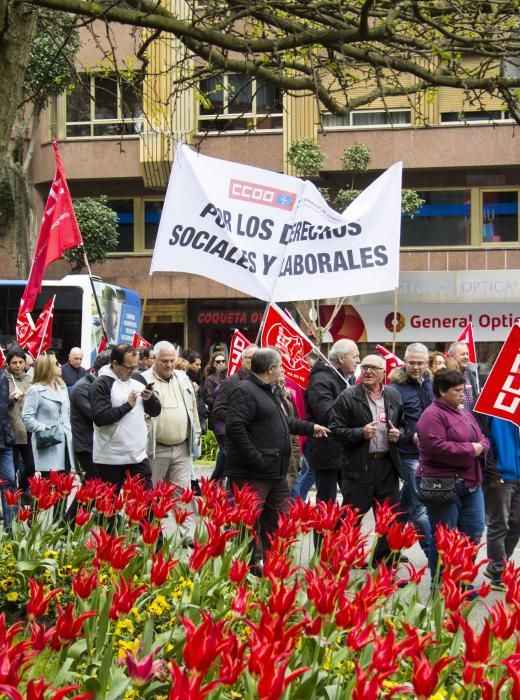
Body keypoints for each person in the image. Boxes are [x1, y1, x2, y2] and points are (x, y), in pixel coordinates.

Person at [225, 347, 329, 562]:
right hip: (254, 472)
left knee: (278, 519)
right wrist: (256, 459)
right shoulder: (245, 390)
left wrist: (311, 427)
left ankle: (273, 566)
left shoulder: (269, 390)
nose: (283, 370)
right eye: (280, 365)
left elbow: (283, 422)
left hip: (275, 471)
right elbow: (235, 428)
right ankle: (247, 570)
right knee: (248, 525)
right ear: (271, 368)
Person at [329, 354, 405, 563]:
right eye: (365, 368)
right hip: (358, 467)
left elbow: (405, 425)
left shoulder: (393, 396)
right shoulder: (348, 396)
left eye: (374, 368)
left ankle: (385, 565)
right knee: (351, 519)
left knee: (389, 520)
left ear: (383, 373)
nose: (368, 371)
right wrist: (359, 433)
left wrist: (400, 434)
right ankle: (341, 561)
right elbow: (334, 430)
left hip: (387, 467)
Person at [416, 368, 488, 580]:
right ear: (442, 391)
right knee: (445, 539)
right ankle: (440, 587)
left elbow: (483, 438)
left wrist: (480, 446)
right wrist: (472, 449)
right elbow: (436, 448)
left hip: (471, 483)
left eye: (463, 389)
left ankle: (461, 582)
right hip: (443, 485)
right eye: (457, 390)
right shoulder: (431, 415)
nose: (462, 394)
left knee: (473, 533)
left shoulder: (464, 412)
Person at [90, 344, 161, 491]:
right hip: (109, 457)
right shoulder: (101, 383)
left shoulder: (138, 379)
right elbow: (100, 418)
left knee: (146, 506)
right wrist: (127, 405)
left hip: (137, 455)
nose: (132, 372)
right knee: (109, 508)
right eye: (128, 367)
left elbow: (155, 411)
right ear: (115, 363)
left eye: (135, 367)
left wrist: (150, 399)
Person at [304, 339, 359, 509]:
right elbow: (327, 414)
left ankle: (341, 534)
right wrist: (356, 414)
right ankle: (324, 536)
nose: (358, 360)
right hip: (327, 451)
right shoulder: (321, 380)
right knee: (326, 505)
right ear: (341, 358)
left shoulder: (344, 379)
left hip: (343, 452)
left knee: (353, 502)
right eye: (355, 356)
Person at [390, 342, 433, 558]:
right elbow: (389, 423)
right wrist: (409, 435)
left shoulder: (431, 385)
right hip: (408, 454)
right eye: (411, 363)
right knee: (421, 507)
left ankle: (386, 550)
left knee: (403, 508)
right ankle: (436, 558)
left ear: (427, 364)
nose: (415, 367)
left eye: (420, 363)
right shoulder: (394, 388)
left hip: (431, 453)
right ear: (404, 362)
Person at [142, 341, 201, 490]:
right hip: (155, 450)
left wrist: (197, 436)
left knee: (182, 500)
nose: (169, 365)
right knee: (150, 497)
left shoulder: (183, 377)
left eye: (172, 361)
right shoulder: (142, 379)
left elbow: (192, 408)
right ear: (154, 358)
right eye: (164, 361)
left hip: (182, 449)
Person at [209, 345, 258, 482]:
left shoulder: (262, 382)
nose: (254, 361)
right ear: (242, 360)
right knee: (235, 482)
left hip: (256, 442)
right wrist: (239, 422)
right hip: (235, 440)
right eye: (250, 358)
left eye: (257, 358)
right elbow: (218, 409)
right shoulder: (231, 382)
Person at [22, 352, 75, 476]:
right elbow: (27, 417)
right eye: (56, 363)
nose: (60, 365)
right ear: (47, 367)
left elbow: (67, 414)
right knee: (48, 487)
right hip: (47, 442)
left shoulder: (62, 387)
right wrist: (45, 429)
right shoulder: (35, 390)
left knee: (64, 487)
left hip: (66, 442)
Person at [482, 417, 520, 591]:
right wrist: (492, 471)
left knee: (516, 523)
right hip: (500, 475)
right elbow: (483, 438)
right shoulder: (493, 408)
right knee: (500, 524)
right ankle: (498, 572)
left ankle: (496, 565)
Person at [70, 350, 112, 480]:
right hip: (87, 446)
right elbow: (98, 415)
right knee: (94, 484)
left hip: (100, 444)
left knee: (93, 487)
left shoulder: (102, 385)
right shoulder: (82, 387)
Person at [5, 349, 35, 501]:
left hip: (26, 431)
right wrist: (10, 398)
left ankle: (21, 492)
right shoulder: (3, 379)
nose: (18, 366)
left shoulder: (31, 380)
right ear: (8, 364)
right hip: (9, 432)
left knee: (30, 467)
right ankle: (11, 500)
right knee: (12, 470)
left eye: (21, 362)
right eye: (14, 363)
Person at [0, 369, 16, 531]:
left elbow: (3, 405)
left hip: (4, 438)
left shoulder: (2, 376)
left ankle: (11, 529)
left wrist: (10, 399)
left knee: (10, 483)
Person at [447, 341, 479, 412]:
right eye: (462, 354)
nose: (466, 357)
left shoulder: (471, 374)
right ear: (451, 356)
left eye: (467, 354)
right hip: (455, 418)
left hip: (470, 419)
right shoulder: (446, 376)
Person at [182, 349, 208, 434]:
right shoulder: (184, 379)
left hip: (200, 418)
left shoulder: (199, 378)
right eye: (196, 364)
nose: (199, 367)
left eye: (200, 364)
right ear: (188, 364)